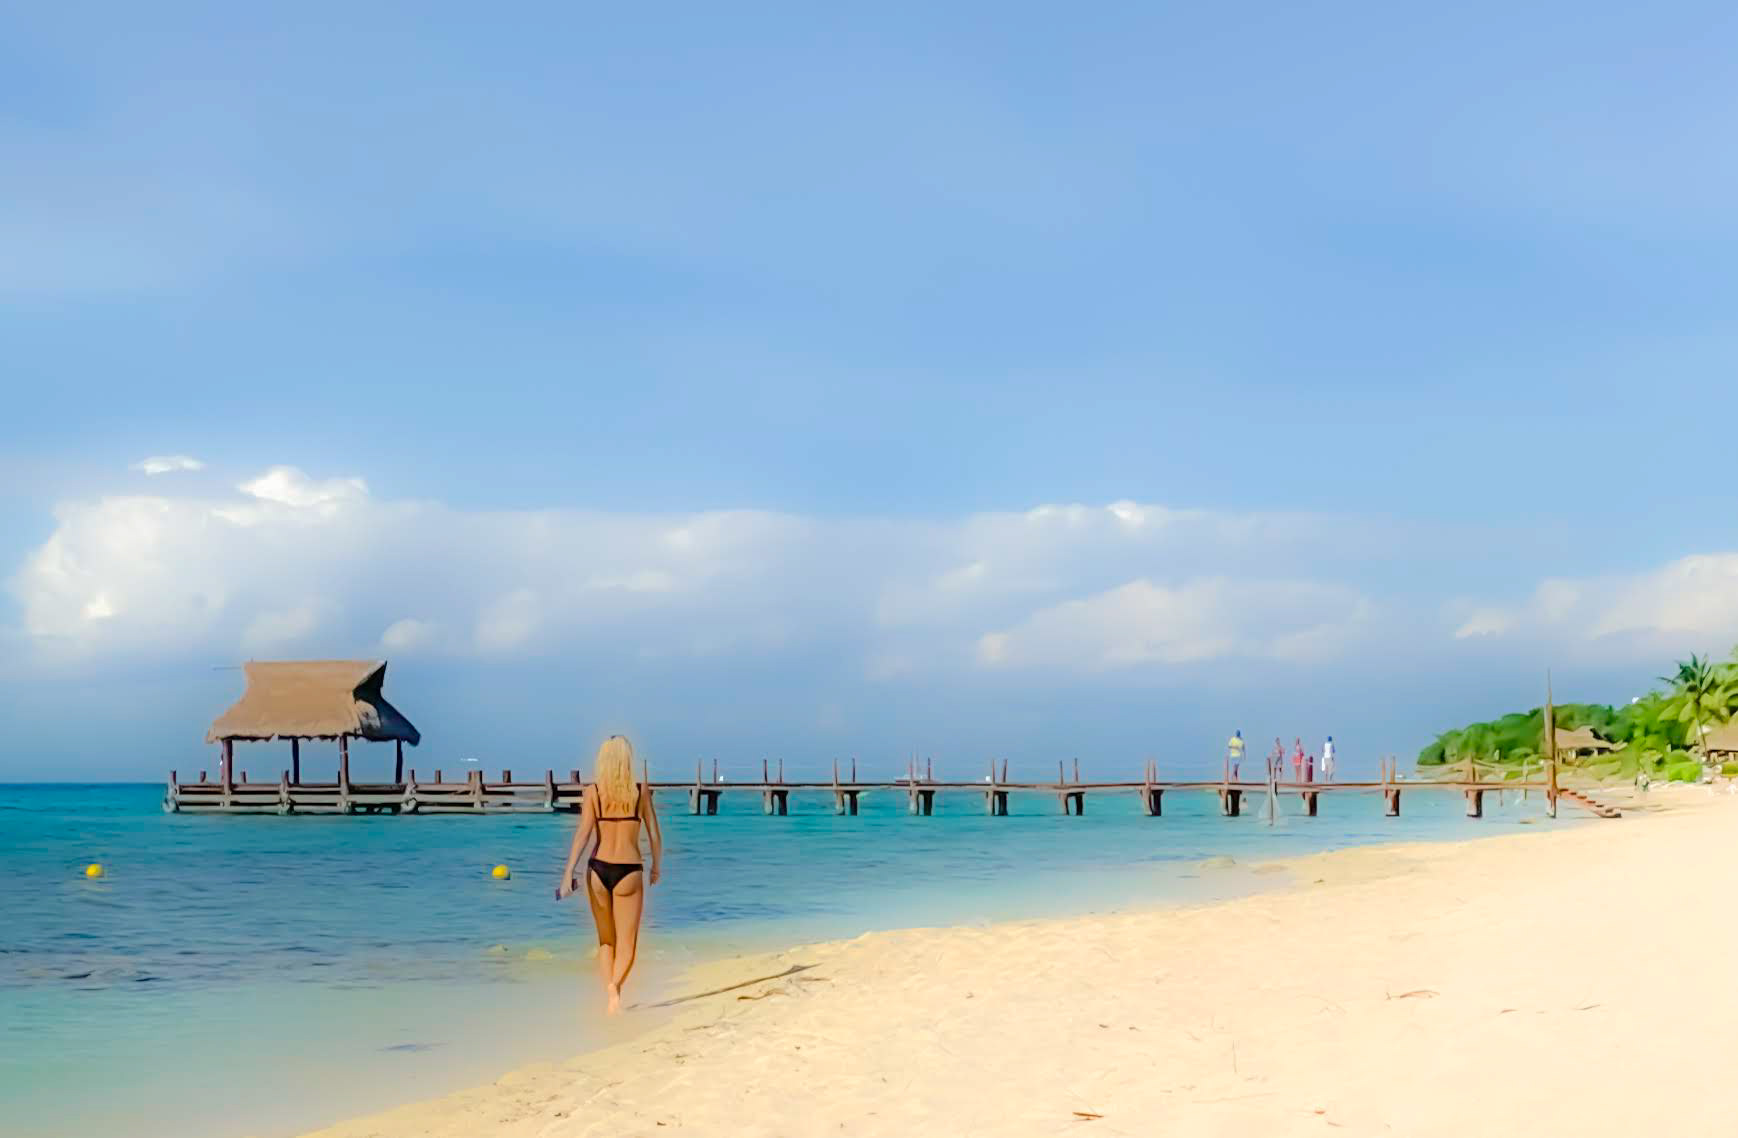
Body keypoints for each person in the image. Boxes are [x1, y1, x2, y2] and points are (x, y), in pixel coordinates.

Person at [556, 735, 664, 1014]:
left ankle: (610, 993)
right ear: (627, 760)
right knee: (627, 944)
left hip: (597, 870)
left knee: (606, 940)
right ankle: (615, 988)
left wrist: (568, 873)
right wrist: (656, 866)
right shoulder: (640, 791)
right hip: (629, 870)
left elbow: (583, 835)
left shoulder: (592, 792)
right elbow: (654, 835)